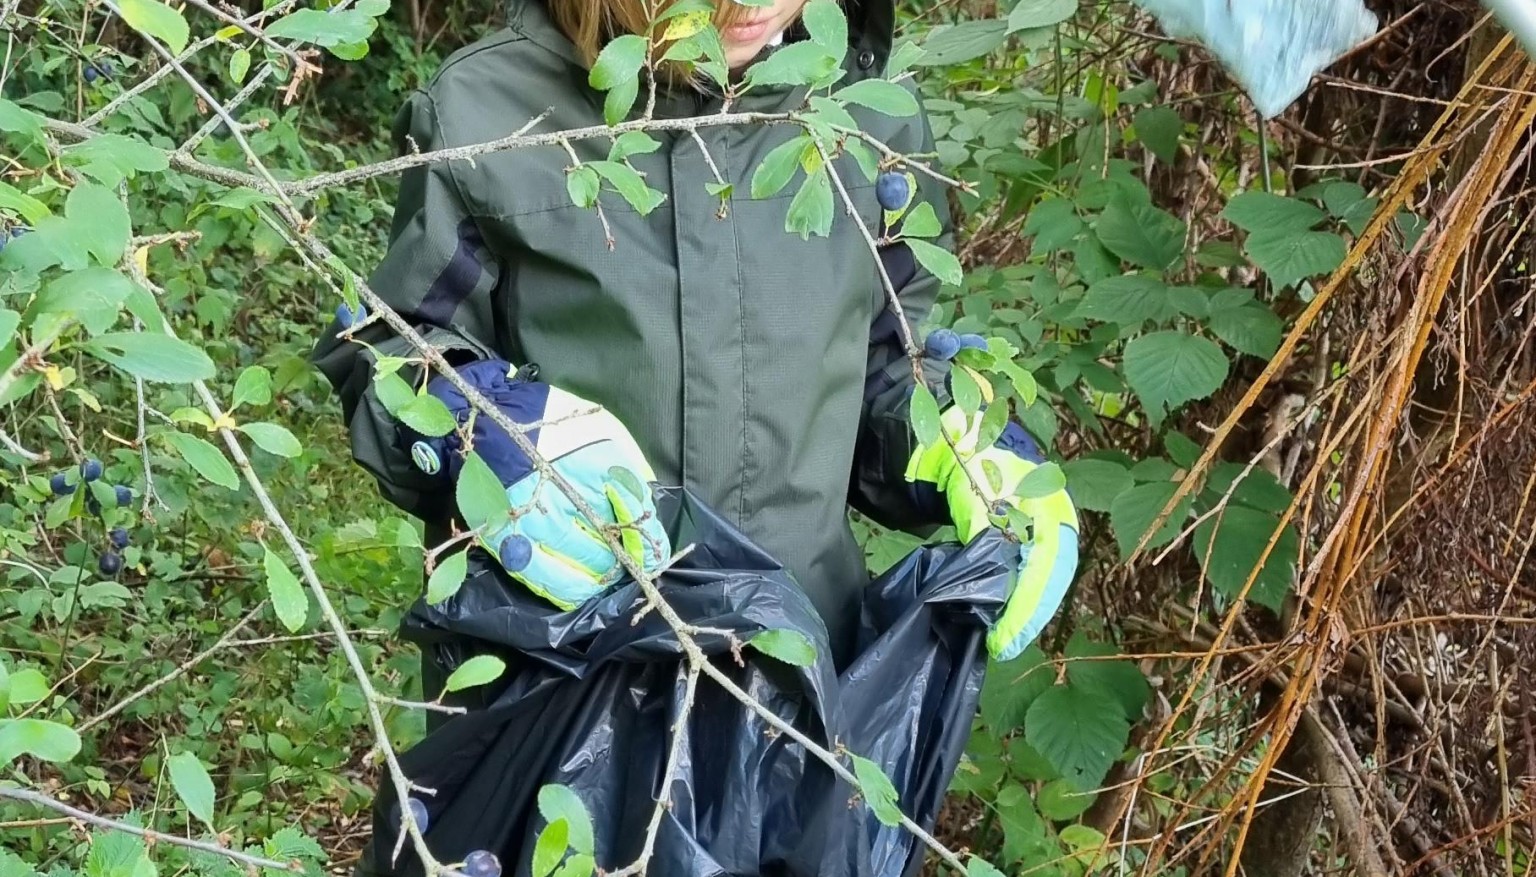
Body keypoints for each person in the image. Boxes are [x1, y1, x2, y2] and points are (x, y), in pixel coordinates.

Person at [312, 0, 1079, 710]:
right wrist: (485, 435)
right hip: (551, 692)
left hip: (798, 688)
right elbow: (396, 348)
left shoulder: (868, 124)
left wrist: (963, 436)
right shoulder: (490, 109)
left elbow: (883, 363)